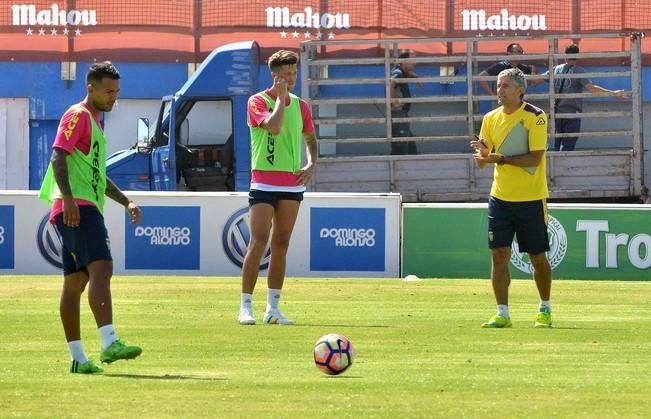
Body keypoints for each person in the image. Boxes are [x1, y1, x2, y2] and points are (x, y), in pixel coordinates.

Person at [39, 62, 143, 374]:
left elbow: (98, 176)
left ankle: (78, 359)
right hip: (77, 207)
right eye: (109, 92)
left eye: (117, 92)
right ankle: (109, 341)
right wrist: (68, 199)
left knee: (75, 282)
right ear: (91, 88)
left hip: (80, 205)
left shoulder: (95, 123)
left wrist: (126, 201)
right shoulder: (78, 115)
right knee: (102, 266)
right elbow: (58, 154)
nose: (114, 98)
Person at [238, 50, 318, 325]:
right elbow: (273, 127)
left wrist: (310, 164)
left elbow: (310, 137)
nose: (292, 78)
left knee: (281, 244)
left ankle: (273, 309)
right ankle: (245, 306)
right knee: (258, 241)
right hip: (262, 182)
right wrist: (281, 100)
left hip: (291, 185)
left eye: (294, 73)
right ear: (275, 76)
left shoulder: (302, 105)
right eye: (286, 74)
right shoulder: (257, 101)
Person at [470, 68, 553, 329]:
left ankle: (545, 308)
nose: (500, 90)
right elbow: (484, 163)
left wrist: (500, 158)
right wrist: (483, 157)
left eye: (505, 86)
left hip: (530, 198)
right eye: (498, 85)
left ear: (520, 90)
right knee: (498, 255)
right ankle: (502, 313)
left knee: (537, 257)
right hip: (500, 198)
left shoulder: (535, 116)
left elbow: (535, 158)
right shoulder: (490, 118)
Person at [540, 43, 629, 151]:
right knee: (568, 145)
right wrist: (614, 93)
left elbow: (536, 80)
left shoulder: (556, 69)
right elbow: (592, 88)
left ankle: (556, 166)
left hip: (557, 114)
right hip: (572, 114)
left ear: (565, 55)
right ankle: (564, 165)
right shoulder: (579, 71)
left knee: (557, 144)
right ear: (577, 56)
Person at [390, 49, 421, 155]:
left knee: (409, 145)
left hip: (401, 113)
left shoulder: (401, 70)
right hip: (398, 113)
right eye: (412, 60)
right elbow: (391, 82)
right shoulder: (397, 72)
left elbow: (407, 71)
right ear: (404, 61)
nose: (415, 63)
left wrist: (416, 77)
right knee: (401, 146)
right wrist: (393, 100)